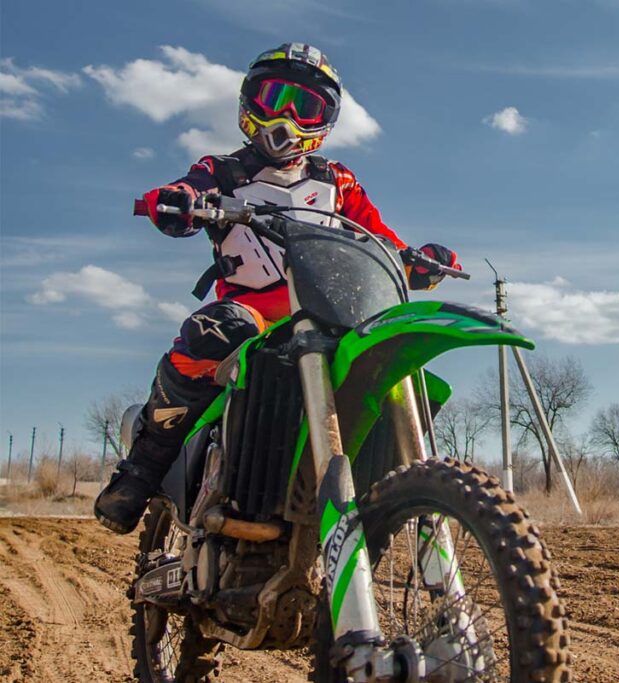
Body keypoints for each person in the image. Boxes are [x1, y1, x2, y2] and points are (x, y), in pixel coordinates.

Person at [94, 43, 459, 534]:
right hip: (250, 316)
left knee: (384, 351)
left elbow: (380, 239)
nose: (287, 116)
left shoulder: (338, 182)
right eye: (275, 97)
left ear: (324, 119)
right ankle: (139, 472)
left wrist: (419, 261)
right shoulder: (221, 171)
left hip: (327, 316)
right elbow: (188, 192)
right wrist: (178, 201)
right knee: (211, 330)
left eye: (304, 105)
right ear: (250, 103)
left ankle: (385, 497)